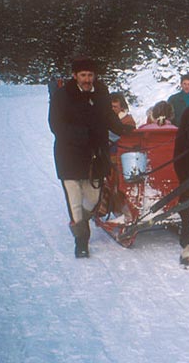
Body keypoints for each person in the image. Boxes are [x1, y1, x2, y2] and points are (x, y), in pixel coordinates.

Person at [48, 57, 134, 258]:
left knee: (93, 200)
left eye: (90, 75)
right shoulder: (62, 96)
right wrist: (82, 135)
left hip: (96, 156)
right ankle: (81, 241)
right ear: (75, 75)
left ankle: (81, 222)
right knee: (75, 201)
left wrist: (122, 129)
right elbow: (55, 125)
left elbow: (109, 117)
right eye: (83, 75)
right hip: (69, 156)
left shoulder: (102, 92)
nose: (87, 79)